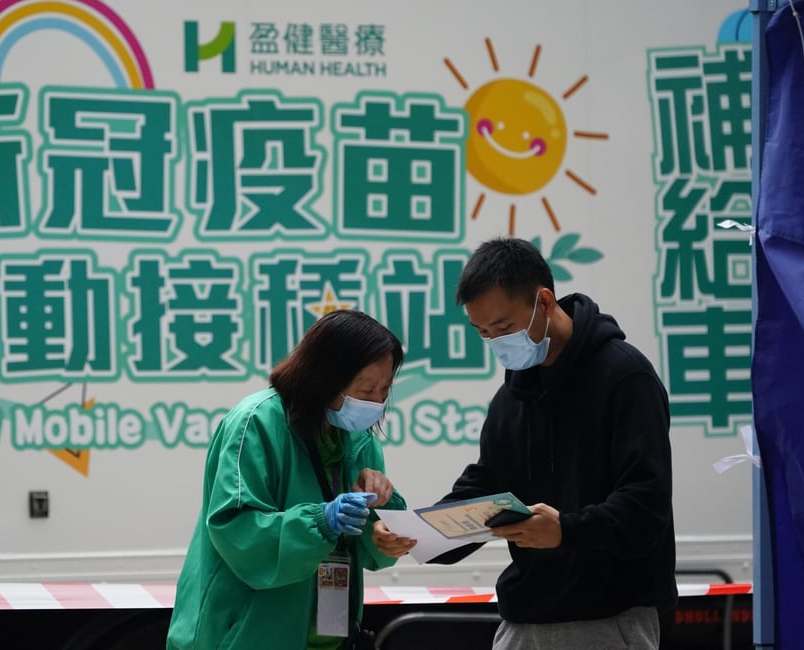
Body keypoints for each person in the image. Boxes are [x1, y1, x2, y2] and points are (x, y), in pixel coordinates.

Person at [375, 237, 677, 649]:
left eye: (503, 327)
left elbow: (647, 505)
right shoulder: (512, 398)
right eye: (482, 332)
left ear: (545, 302)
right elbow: (484, 490)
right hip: (524, 620)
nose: (496, 341)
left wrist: (566, 531)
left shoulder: (624, 378)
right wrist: (420, 535)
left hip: (609, 618)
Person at [167, 309, 407, 650]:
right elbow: (237, 533)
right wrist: (319, 522)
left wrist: (385, 524)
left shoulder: (359, 440)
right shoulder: (255, 423)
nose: (377, 403)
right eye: (366, 388)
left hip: (332, 637)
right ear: (324, 376)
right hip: (245, 637)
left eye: (385, 389)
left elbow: (374, 556)